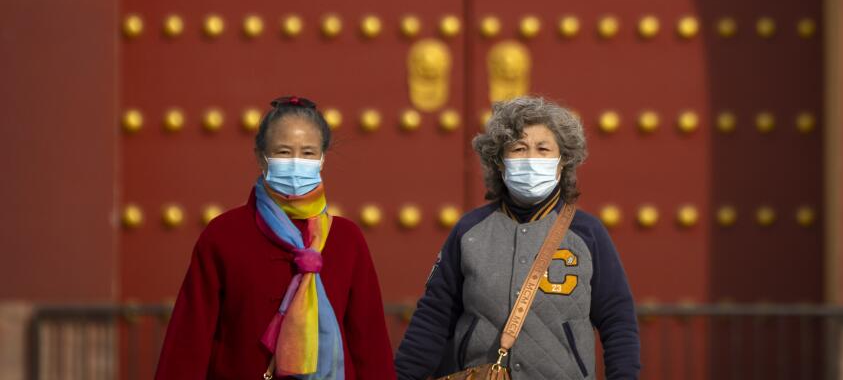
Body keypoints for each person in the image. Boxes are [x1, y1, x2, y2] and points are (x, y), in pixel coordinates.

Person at [393, 95, 640, 380]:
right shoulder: (469, 231)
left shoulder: (588, 233)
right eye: (519, 148)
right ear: (499, 162)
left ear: (562, 163)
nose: (531, 158)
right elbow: (434, 317)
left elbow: (617, 321)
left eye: (543, 149)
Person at [155, 96, 394, 380]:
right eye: (283, 152)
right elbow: (190, 336)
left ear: (322, 159)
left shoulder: (347, 239)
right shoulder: (224, 234)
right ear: (260, 157)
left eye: (307, 153)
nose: (296, 163)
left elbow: (369, 341)